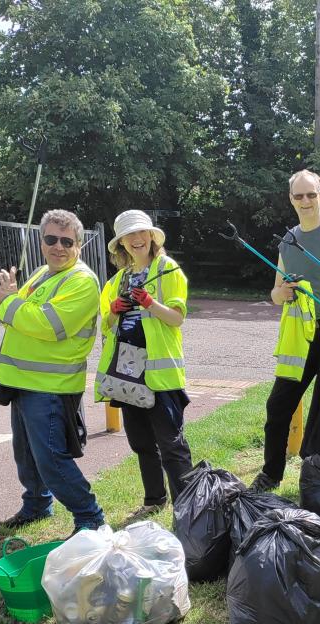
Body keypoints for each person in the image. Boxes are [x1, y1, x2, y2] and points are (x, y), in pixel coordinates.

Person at [0, 209, 105, 537]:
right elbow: (13, 315)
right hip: (24, 383)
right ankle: (37, 504)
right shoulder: (42, 273)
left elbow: (47, 325)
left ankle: (90, 518)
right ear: (41, 242)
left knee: (52, 461)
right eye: (51, 239)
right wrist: (11, 303)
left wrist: (10, 302)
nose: (58, 247)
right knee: (26, 455)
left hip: (51, 386)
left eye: (67, 241)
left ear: (79, 245)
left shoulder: (82, 281)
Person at [249, 169, 320, 492]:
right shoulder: (288, 240)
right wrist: (281, 293)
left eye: (311, 194)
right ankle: (271, 473)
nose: (305, 201)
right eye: (298, 196)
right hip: (300, 334)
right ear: (290, 199)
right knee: (278, 405)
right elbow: (275, 291)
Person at [97, 209, 193, 521]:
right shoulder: (115, 281)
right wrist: (114, 309)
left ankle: (188, 505)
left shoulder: (167, 269)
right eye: (130, 235)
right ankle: (155, 499)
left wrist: (150, 303)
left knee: (171, 444)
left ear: (151, 237)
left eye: (142, 233)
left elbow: (177, 318)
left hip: (159, 372)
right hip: (126, 370)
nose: (137, 239)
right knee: (140, 442)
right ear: (121, 243)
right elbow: (106, 325)